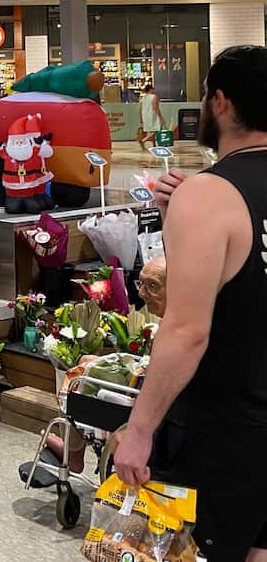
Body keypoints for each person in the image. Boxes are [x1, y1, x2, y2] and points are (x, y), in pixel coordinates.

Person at [113, 45, 267, 562]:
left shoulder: (211, 194)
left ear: (220, 102)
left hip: (230, 432)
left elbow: (187, 329)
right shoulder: (206, 195)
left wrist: (138, 430)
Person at [22, 256, 168, 484]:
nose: (141, 294)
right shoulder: (177, 322)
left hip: (143, 400)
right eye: (141, 284)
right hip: (146, 385)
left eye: (153, 286)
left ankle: (73, 453)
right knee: (88, 359)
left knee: (77, 376)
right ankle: (74, 448)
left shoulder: (175, 332)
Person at [138, 83, 167, 149]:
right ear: (150, 89)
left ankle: (154, 145)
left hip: (145, 116)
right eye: (153, 89)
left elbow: (140, 109)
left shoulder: (143, 98)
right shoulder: (154, 97)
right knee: (157, 129)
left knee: (151, 130)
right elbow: (155, 108)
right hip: (153, 115)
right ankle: (143, 140)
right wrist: (160, 117)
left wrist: (141, 119)